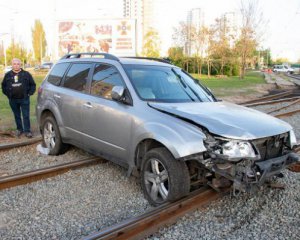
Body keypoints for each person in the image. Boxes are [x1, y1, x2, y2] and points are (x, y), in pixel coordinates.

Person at [1, 58, 36, 138]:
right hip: (13, 100)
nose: (16, 65)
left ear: (20, 65)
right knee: (17, 115)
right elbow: (3, 86)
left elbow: (33, 85)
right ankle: (19, 129)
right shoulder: (8, 75)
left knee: (26, 115)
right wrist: (8, 94)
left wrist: (30, 93)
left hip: (24, 99)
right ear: (12, 65)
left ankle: (27, 131)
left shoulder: (26, 74)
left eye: (18, 64)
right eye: (14, 64)